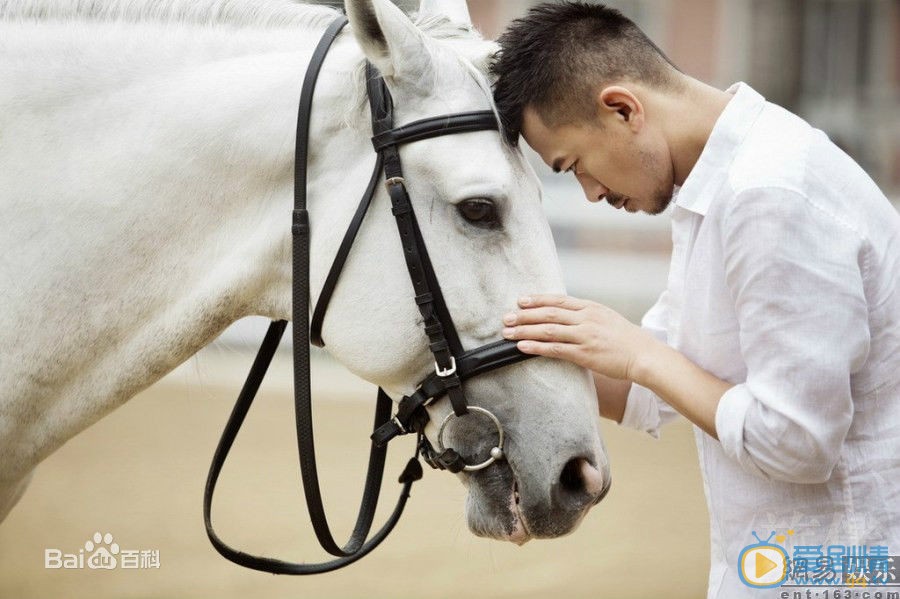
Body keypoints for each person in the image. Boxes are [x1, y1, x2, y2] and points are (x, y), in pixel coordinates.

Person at [490, 3, 900, 597]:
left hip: (844, 573)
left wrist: (640, 355)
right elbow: (668, 384)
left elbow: (797, 442)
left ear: (623, 108)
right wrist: (505, 358)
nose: (591, 192)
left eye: (576, 164)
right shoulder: (721, 181)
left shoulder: (770, 194)